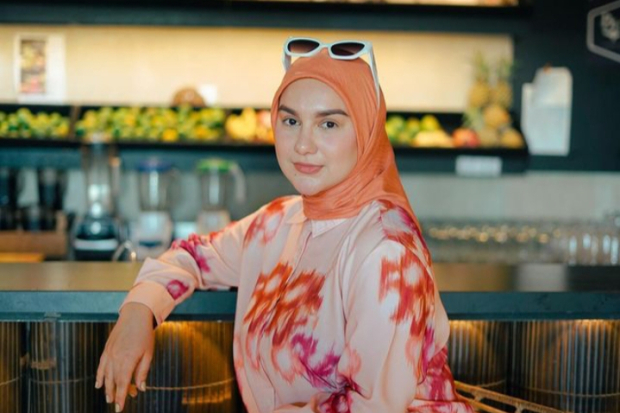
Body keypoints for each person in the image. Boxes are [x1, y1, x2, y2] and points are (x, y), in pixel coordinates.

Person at [96, 37, 474, 413]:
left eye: (328, 124)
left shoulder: (387, 252)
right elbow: (193, 256)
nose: (303, 145)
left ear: (367, 130)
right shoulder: (277, 221)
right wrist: (138, 311)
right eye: (291, 120)